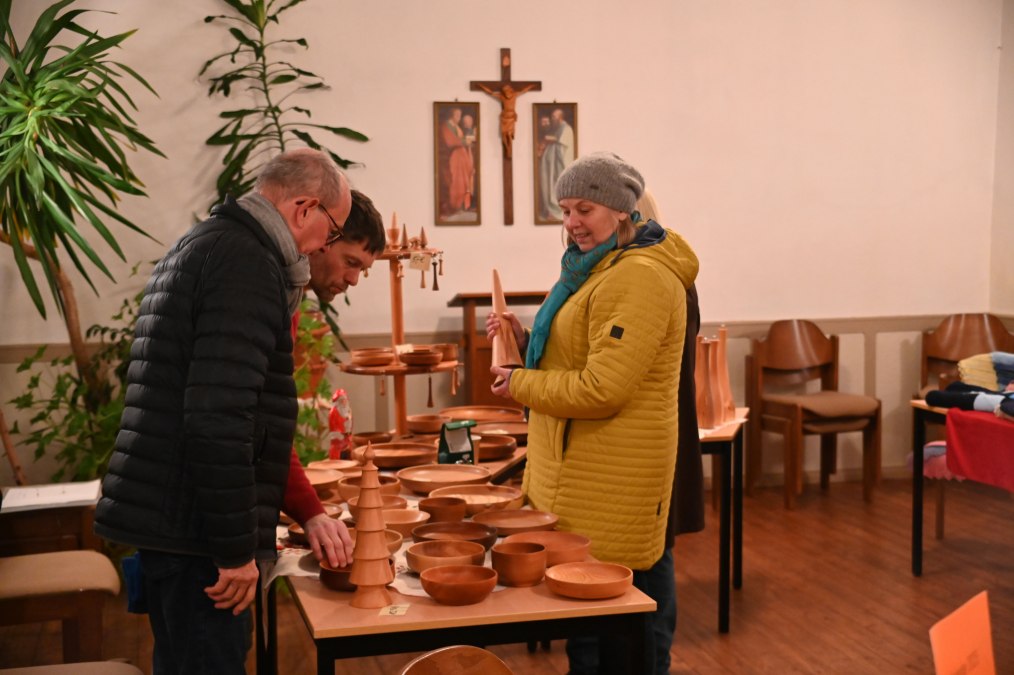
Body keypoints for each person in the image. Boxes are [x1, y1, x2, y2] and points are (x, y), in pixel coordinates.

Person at [95, 148, 350, 675]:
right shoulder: (246, 263)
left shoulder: (207, 241)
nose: (327, 244)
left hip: (178, 520)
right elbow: (219, 419)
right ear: (305, 208)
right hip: (197, 536)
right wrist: (235, 552)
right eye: (333, 229)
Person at [487, 152, 699, 675]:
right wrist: (524, 340)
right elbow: (582, 353)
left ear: (622, 210)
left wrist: (520, 384)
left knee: (617, 633)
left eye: (585, 209)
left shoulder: (640, 277)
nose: (572, 223)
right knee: (589, 624)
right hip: (585, 472)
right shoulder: (598, 269)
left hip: (614, 473)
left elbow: (604, 388)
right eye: (564, 211)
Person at [282, 189, 387, 569]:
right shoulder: (270, 290)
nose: (354, 280)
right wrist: (311, 512)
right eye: (351, 262)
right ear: (324, 238)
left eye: (363, 270)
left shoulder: (289, 295)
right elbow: (258, 419)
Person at [474, 82, 537, 157]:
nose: (506, 92)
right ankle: (507, 148)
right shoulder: (501, 97)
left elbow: (523, 91)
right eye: (504, 91)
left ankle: (509, 149)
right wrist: (482, 87)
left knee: (509, 134)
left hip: (511, 117)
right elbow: (490, 93)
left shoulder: (515, 95)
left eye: (507, 90)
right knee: (504, 134)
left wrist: (531, 86)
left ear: (510, 90)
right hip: (504, 117)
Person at [538, 108, 575, 221]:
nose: (552, 119)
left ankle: (556, 211)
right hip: (552, 166)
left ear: (560, 117)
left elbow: (562, 143)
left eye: (554, 117)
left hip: (559, 166)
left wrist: (549, 140)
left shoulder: (567, 128)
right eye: (552, 116)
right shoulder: (557, 128)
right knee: (549, 185)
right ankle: (550, 210)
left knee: (555, 186)